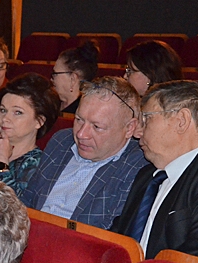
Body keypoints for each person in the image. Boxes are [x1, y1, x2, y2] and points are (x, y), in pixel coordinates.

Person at [21, 76, 148, 230]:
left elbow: (110, 234)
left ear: (129, 128)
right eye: (79, 120)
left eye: (96, 126)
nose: (81, 134)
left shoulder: (137, 165)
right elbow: (27, 201)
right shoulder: (62, 141)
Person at [112, 80, 198, 260]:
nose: (137, 132)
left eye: (146, 119)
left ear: (181, 121)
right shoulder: (147, 177)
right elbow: (118, 238)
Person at [0, 73, 61, 196]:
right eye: (3, 110)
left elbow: (14, 208)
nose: (5, 118)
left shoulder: (38, 166)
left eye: (17, 112)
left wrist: (1, 162)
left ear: (39, 121)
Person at [52, 40, 100, 114]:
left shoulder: (85, 115)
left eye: (55, 74)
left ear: (73, 79)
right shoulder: (51, 105)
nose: (51, 79)